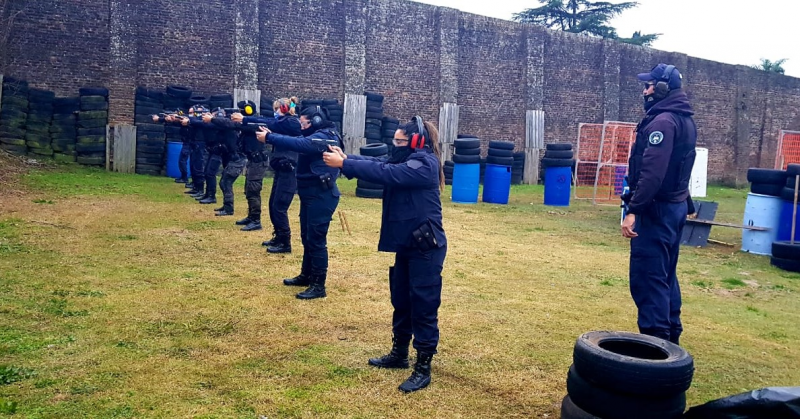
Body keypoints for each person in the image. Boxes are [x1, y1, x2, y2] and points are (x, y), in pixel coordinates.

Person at [322, 116, 447, 393]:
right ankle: (399, 354)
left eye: (400, 141)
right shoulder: (408, 159)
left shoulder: (425, 163)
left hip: (425, 247)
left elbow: (387, 173)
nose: (395, 145)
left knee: (423, 306)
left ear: (416, 142)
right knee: (401, 299)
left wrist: (344, 165)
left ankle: (423, 366)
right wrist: (347, 158)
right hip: (408, 243)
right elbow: (379, 163)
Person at [621, 63, 697, 346]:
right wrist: (686, 201)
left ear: (663, 88)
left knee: (649, 276)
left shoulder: (663, 122)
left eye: (649, 85)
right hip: (673, 207)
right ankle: (671, 339)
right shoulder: (684, 119)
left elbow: (653, 172)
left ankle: (656, 346)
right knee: (665, 274)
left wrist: (634, 210)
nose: (645, 91)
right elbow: (681, 165)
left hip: (656, 210)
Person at [256, 105, 341, 300]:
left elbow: (301, 144)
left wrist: (269, 137)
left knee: (316, 240)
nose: (301, 127)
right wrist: (271, 134)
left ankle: (318, 285)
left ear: (316, 121)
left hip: (321, 195)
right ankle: (306, 275)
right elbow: (298, 140)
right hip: (310, 193)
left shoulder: (326, 136)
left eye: (304, 123)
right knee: (306, 236)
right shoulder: (318, 134)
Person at [259, 97, 301, 252]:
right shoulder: (286, 124)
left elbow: (276, 126)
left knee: (279, 207)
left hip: (289, 170)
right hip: (281, 169)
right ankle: (278, 236)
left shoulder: (292, 123)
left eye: (277, 109)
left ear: (283, 108)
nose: (275, 112)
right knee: (273, 204)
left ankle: (285, 243)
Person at [235, 99, 272, 231]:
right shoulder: (249, 124)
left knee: (253, 190)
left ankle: (256, 220)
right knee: (248, 189)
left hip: (258, 161)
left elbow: (243, 127)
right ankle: (251, 216)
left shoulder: (256, 124)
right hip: (253, 160)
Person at [208, 108, 247, 216]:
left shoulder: (231, 125)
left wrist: (212, 119)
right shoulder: (227, 126)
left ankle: (229, 208)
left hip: (237, 158)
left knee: (225, 182)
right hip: (234, 157)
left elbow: (225, 123)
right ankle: (226, 206)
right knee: (225, 182)